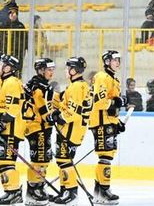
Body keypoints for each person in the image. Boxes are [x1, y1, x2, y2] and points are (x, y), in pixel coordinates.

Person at [51, 56, 92, 205]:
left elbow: (73, 111)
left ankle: (71, 193)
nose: (66, 71)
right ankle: (65, 191)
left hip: (70, 129)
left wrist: (58, 117)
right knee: (63, 160)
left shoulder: (76, 87)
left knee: (64, 160)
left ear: (74, 70)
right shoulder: (81, 86)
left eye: (68, 68)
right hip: (75, 129)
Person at [89, 50, 125, 203]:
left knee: (107, 155)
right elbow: (100, 102)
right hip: (101, 121)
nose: (117, 62)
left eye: (118, 60)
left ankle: (99, 191)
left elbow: (111, 105)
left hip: (108, 121)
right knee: (105, 155)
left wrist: (117, 122)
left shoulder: (113, 79)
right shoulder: (102, 77)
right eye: (115, 60)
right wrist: (116, 102)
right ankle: (103, 191)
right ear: (107, 61)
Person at [23, 58, 55, 205]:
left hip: (39, 126)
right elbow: (42, 106)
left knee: (43, 159)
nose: (51, 72)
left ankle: (39, 187)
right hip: (37, 127)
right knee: (39, 160)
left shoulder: (38, 83)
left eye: (52, 69)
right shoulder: (38, 86)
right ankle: (34, 190)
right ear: (41, 70)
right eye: (49, 69)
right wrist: (50, 117)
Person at [0, 54, 24, 204]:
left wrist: (0, 125)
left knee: (7, 162)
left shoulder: (11, 82)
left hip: (10, 129)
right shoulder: (4, 82)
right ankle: (10, 191)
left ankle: (14, 192)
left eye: (1, 64)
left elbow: (13, 108)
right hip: (6, 128)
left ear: (8, 68)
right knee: (3, 161)